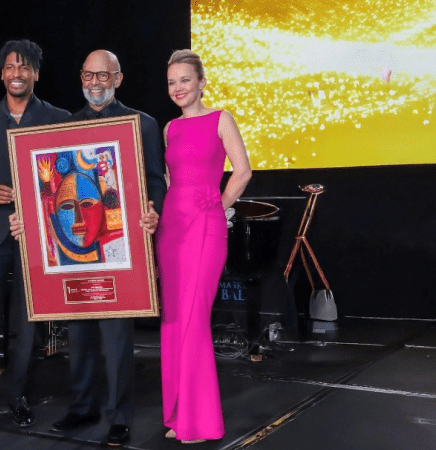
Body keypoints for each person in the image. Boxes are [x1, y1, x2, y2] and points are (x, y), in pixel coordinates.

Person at [16, 49, 167, 448]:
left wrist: (153, 213)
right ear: (81, 78)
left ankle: (119, 417)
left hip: (123, 249)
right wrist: (29, 220)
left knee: (117, 339)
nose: (95, 83)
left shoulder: (143, 123)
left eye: (103, 76)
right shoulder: (65, 124)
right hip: (75, 252)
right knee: (79, 335)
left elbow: (155, 181)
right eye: (88, 75)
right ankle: (82, 408)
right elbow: (47, 188)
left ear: (118, 79)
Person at [0, 39, 71, 437]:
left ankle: (19, 396)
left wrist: (41, 209)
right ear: (1, 73)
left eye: (25, 67)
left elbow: (68, 180)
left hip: (39, 238)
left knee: (28, 325)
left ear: (36, 73)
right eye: (10, 66)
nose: (17, 73)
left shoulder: (58, 118)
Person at [157, 49, 252, 443]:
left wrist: (219, 203)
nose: (178, 88)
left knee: (195, 319)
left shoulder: (220, 118)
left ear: (201, 82)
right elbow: (167, 179)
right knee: (174, 320)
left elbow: (243, 170)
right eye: (172, 82)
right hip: (172, 230)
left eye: (185, 80)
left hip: (205, 227)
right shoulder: (168, 129)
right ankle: (178, 413)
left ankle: (199, 422)